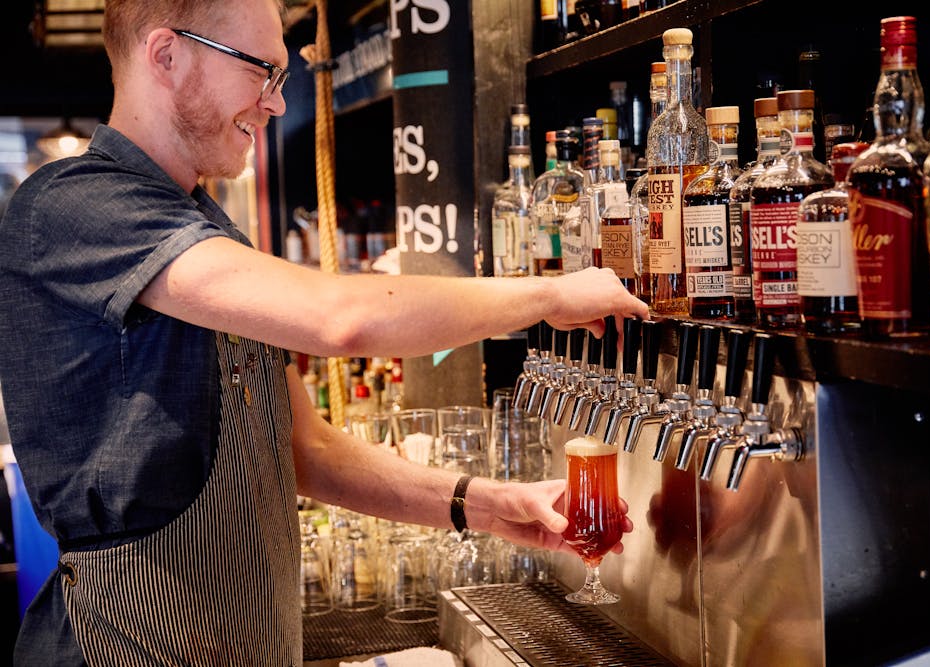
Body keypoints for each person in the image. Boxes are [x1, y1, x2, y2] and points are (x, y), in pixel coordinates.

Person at [0, 0, 648, 664]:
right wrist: (549, 294)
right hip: (118, 647)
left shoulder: (207, 228)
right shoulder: (71, 206)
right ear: (166, 54)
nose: (275, 105)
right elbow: (339, 319)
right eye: (262, 72)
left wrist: (487, 503)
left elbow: (303, 445)